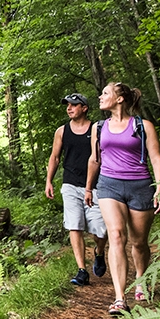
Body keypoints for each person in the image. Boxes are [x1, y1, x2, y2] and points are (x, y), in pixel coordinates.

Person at [85, 82, 160, 316]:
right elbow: (94, 159)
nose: (100, 97)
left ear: (120, 99)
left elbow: (156, 158)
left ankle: (141, 278)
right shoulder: (98, 128)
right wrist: (89, 187)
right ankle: (119, 298)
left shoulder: (143, 126)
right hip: (109, 185)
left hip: (140, 186)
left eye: (105, 93)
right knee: (116, 235)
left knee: (139, 242)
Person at [45, 93, 108, 287]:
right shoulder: (61, 131)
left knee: (100, 231)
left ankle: (99, 252)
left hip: (95, 185)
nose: (69, 108)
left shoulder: (96, 128)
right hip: (70, 184)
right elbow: (55, 157)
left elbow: (102, 155)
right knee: (75, 225)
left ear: (84, 108)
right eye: (67, 105)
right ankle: (82, 270)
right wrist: (49, 181)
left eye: (73, 105)